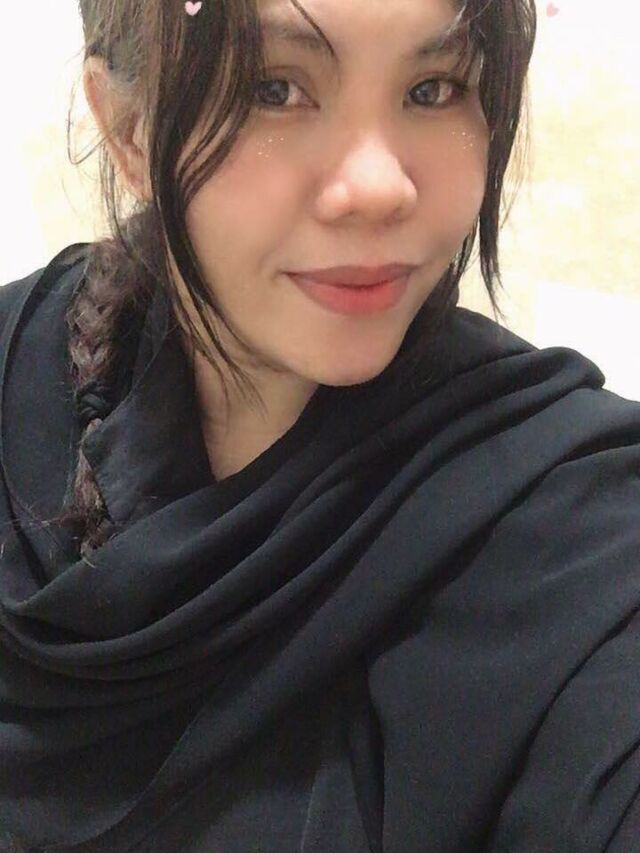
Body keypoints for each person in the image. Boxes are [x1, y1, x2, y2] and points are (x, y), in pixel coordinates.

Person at [1, 0, 639, 850]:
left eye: (433, 87)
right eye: (273, 88)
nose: (380, 186)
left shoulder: (575, 532)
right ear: (126, 128)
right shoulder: (20, 376)